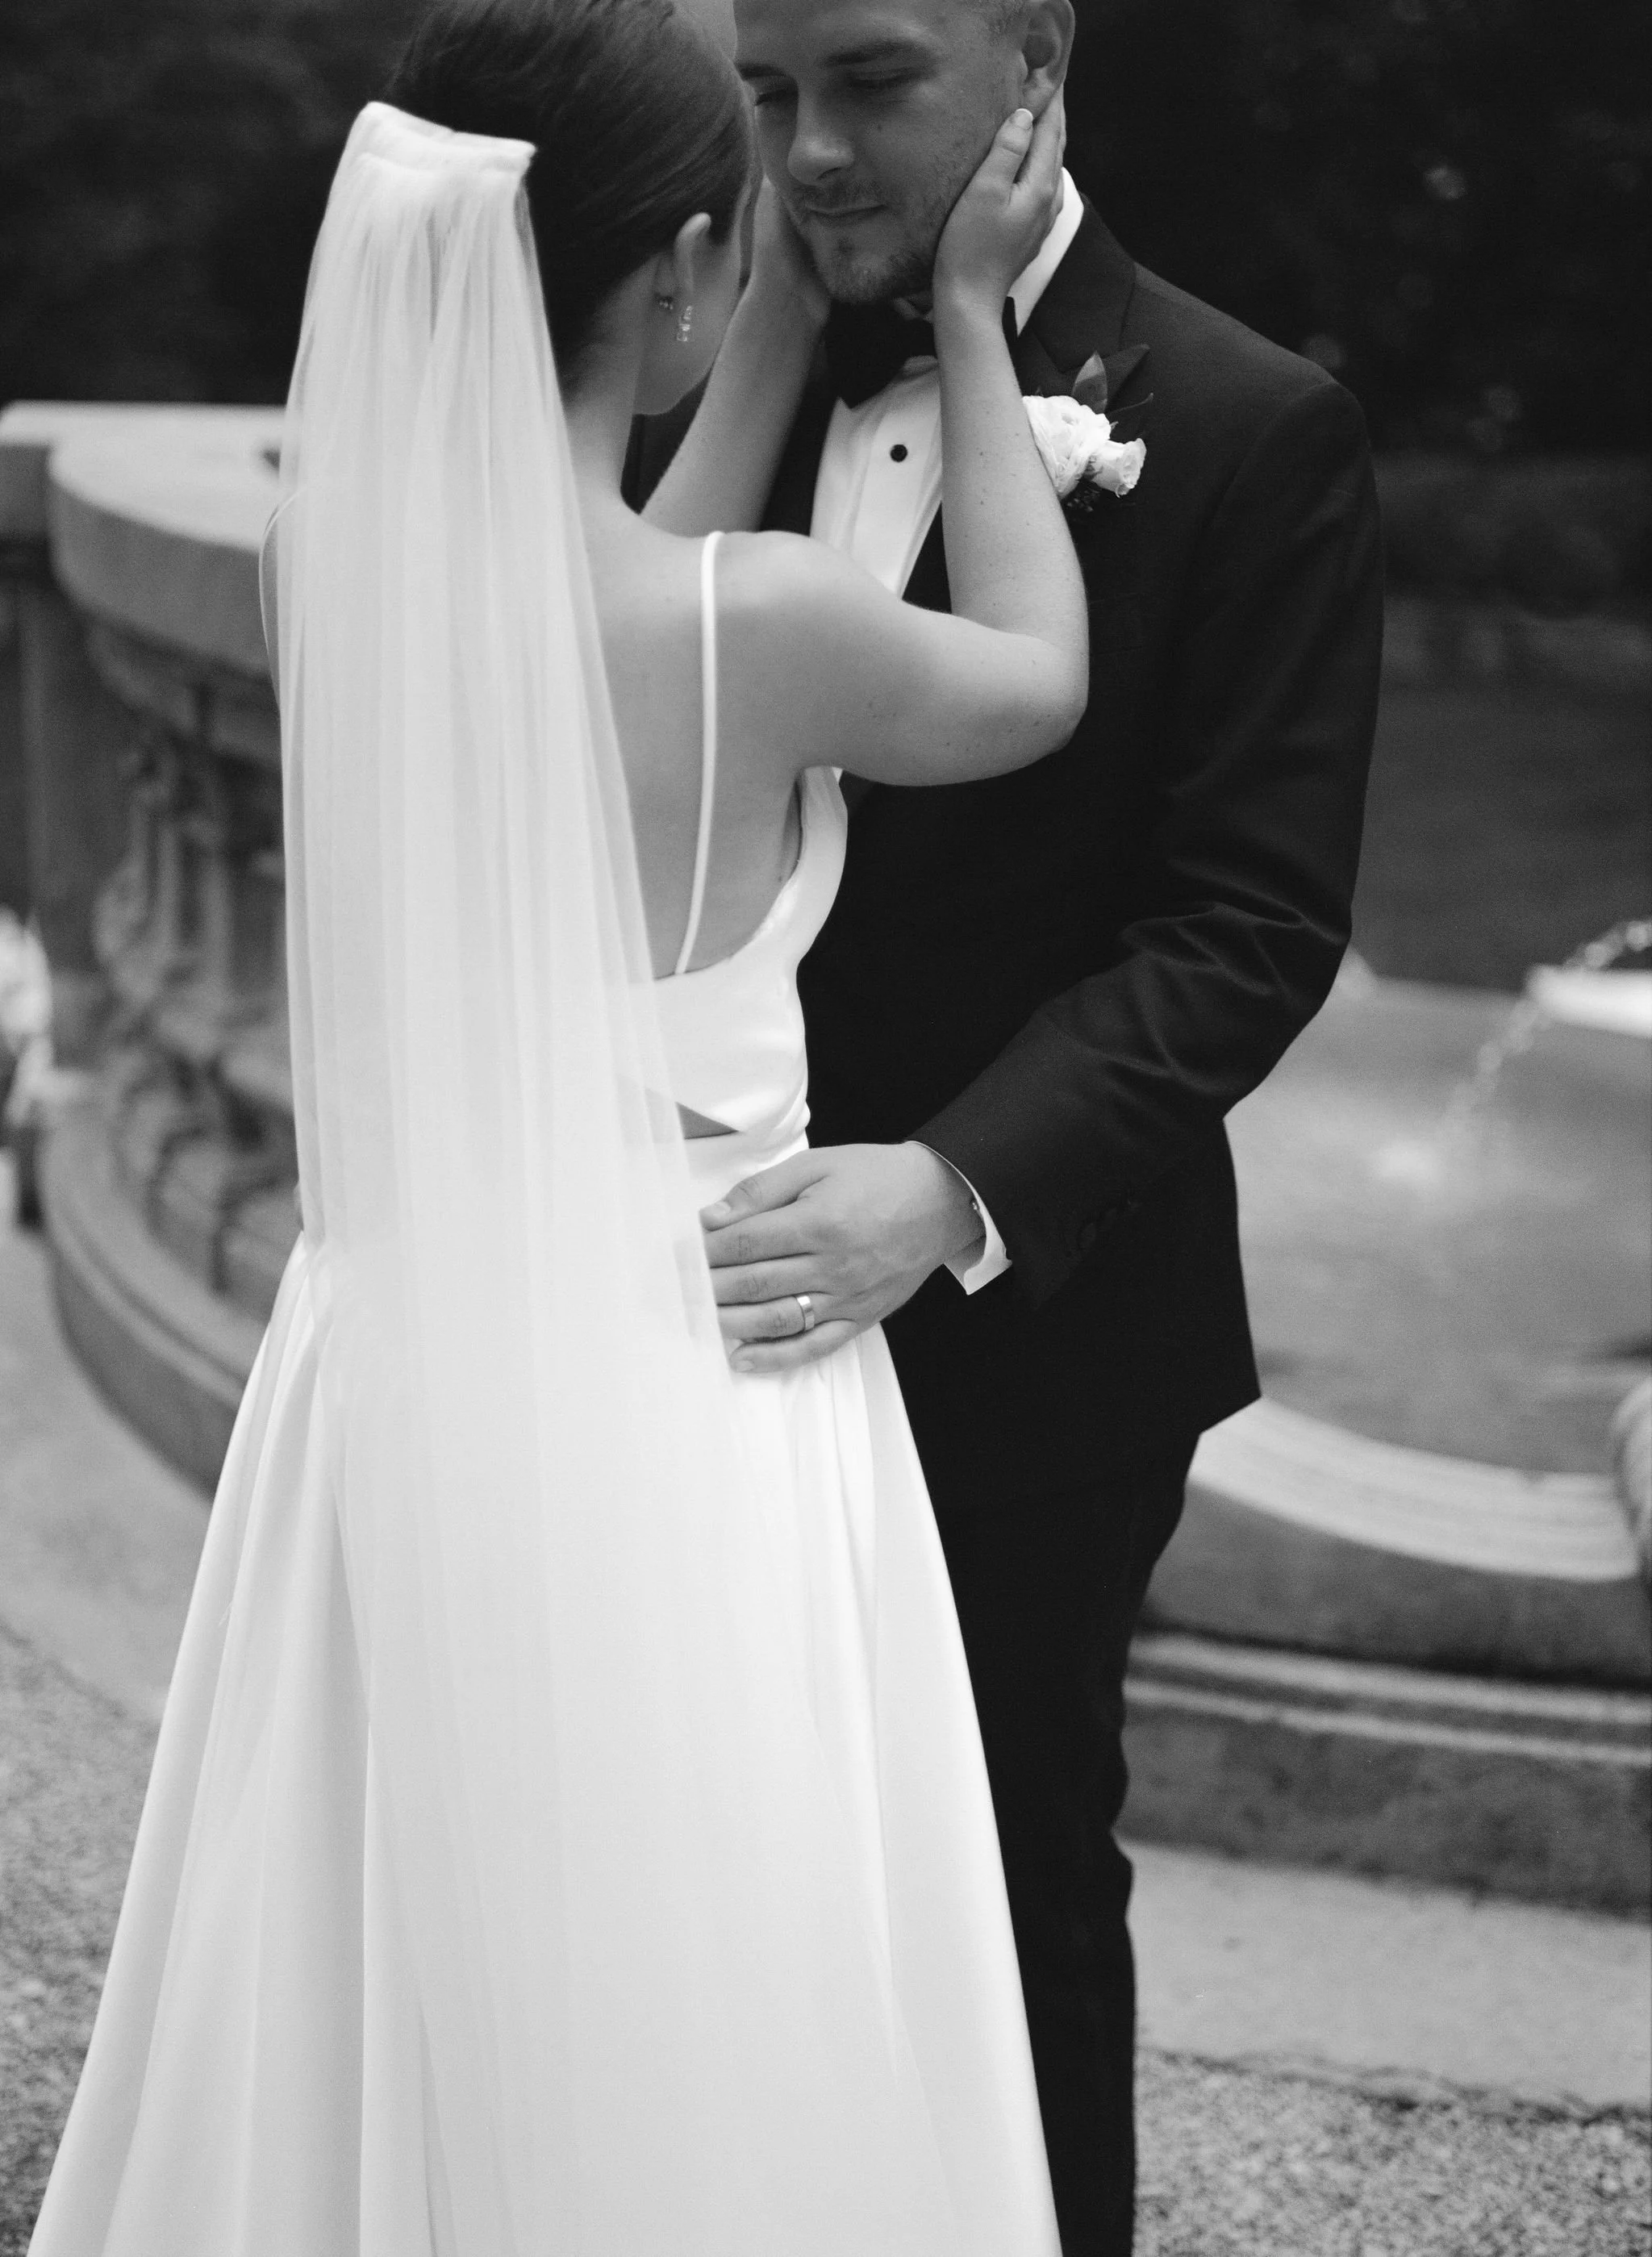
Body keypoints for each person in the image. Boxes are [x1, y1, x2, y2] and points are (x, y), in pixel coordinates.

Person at [28, 0, 1109, 2249]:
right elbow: (1033, 668)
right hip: (689, 1358)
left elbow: (603, 598)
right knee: (687, 1918)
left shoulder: (327, 575)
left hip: (403, 1355)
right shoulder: (771, 631)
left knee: (391, 1911)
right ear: (688, 268)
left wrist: (742, 330)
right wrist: (982, 334)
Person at [628, 0, 1385, 2245]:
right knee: (697, 1863)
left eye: (873, 83)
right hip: (686, 1301)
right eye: (768, 99)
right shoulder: (708, 400)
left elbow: (1247, 928)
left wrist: (943, 1184)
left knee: (998, 1869)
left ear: (1037, 75)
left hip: (1026, 1331)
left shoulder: (1258, 431)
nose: (813, 152)